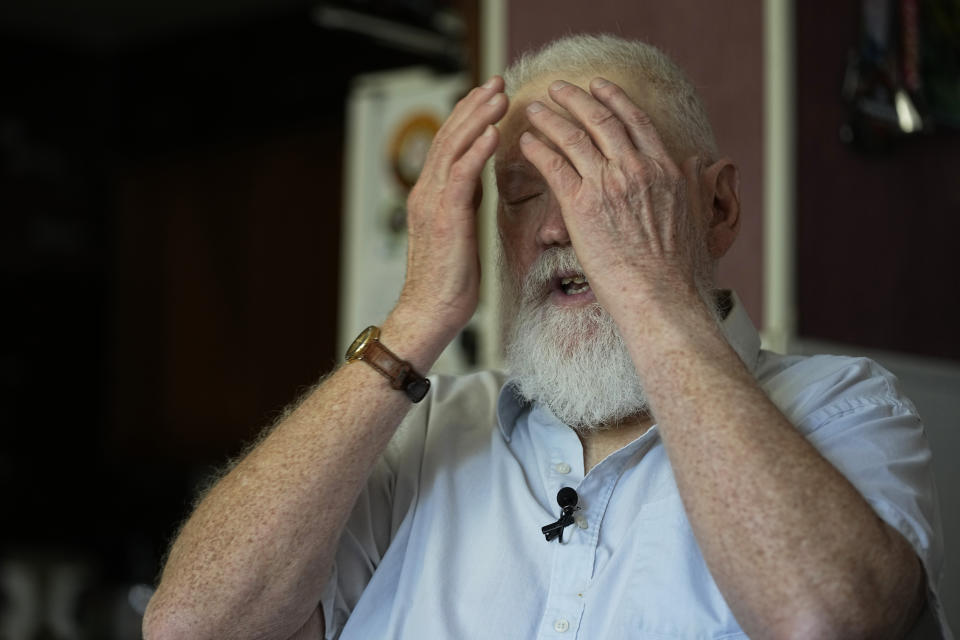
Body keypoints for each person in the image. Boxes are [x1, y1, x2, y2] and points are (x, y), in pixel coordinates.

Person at [142, 34, 950, 640]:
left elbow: (823, 618)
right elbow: (192, 627)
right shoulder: (423, 432)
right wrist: (415, 321)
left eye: (610, 186)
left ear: (719, 209)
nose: (562, 226)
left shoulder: (840, 406)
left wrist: (648, 285)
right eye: (524, 193)